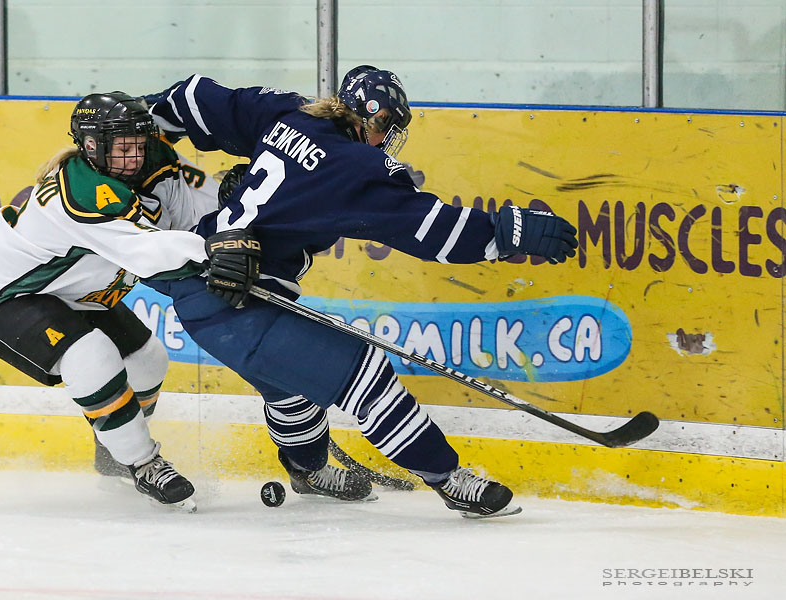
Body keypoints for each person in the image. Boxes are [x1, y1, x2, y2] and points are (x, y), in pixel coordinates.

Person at [140, 66, 577, 518]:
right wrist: (507, 232)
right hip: (236, 304)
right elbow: (434, 232)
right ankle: (448, 479)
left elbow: (198, 98)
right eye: (388, 124)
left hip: (207, 281)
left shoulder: (286, 112)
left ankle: (308, 472)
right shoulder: (358, 167)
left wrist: (144, 123)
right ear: (370, 116)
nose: (387, 137)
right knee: (364, 374)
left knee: (293, 390)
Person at [0, 92, 261, 511]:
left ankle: (112, 450)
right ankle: (142, 462)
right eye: (122, 145)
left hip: (73, 293)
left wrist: (227, 202)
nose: (134, 154)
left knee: (148, 358)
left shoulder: (150, 157)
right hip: (7, 297)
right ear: (92, 145)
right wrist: (212, 255)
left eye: (138, 141)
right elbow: (146, 254)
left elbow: (185, 211)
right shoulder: (80, 196)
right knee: (90, 355)